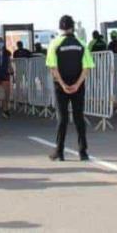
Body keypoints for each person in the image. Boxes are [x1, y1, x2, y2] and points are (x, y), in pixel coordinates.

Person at [46, 15, 95, 161]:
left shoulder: (54, 44)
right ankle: (83, 152)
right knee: (79, 117)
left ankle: (59, 152)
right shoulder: (81, 43)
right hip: (78, 85)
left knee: (62, 119)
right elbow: (87, 67)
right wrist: (77, 84)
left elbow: (53, 68)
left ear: (60, 28)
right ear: (73, 27)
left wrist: (63, 85)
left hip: (61, 86)